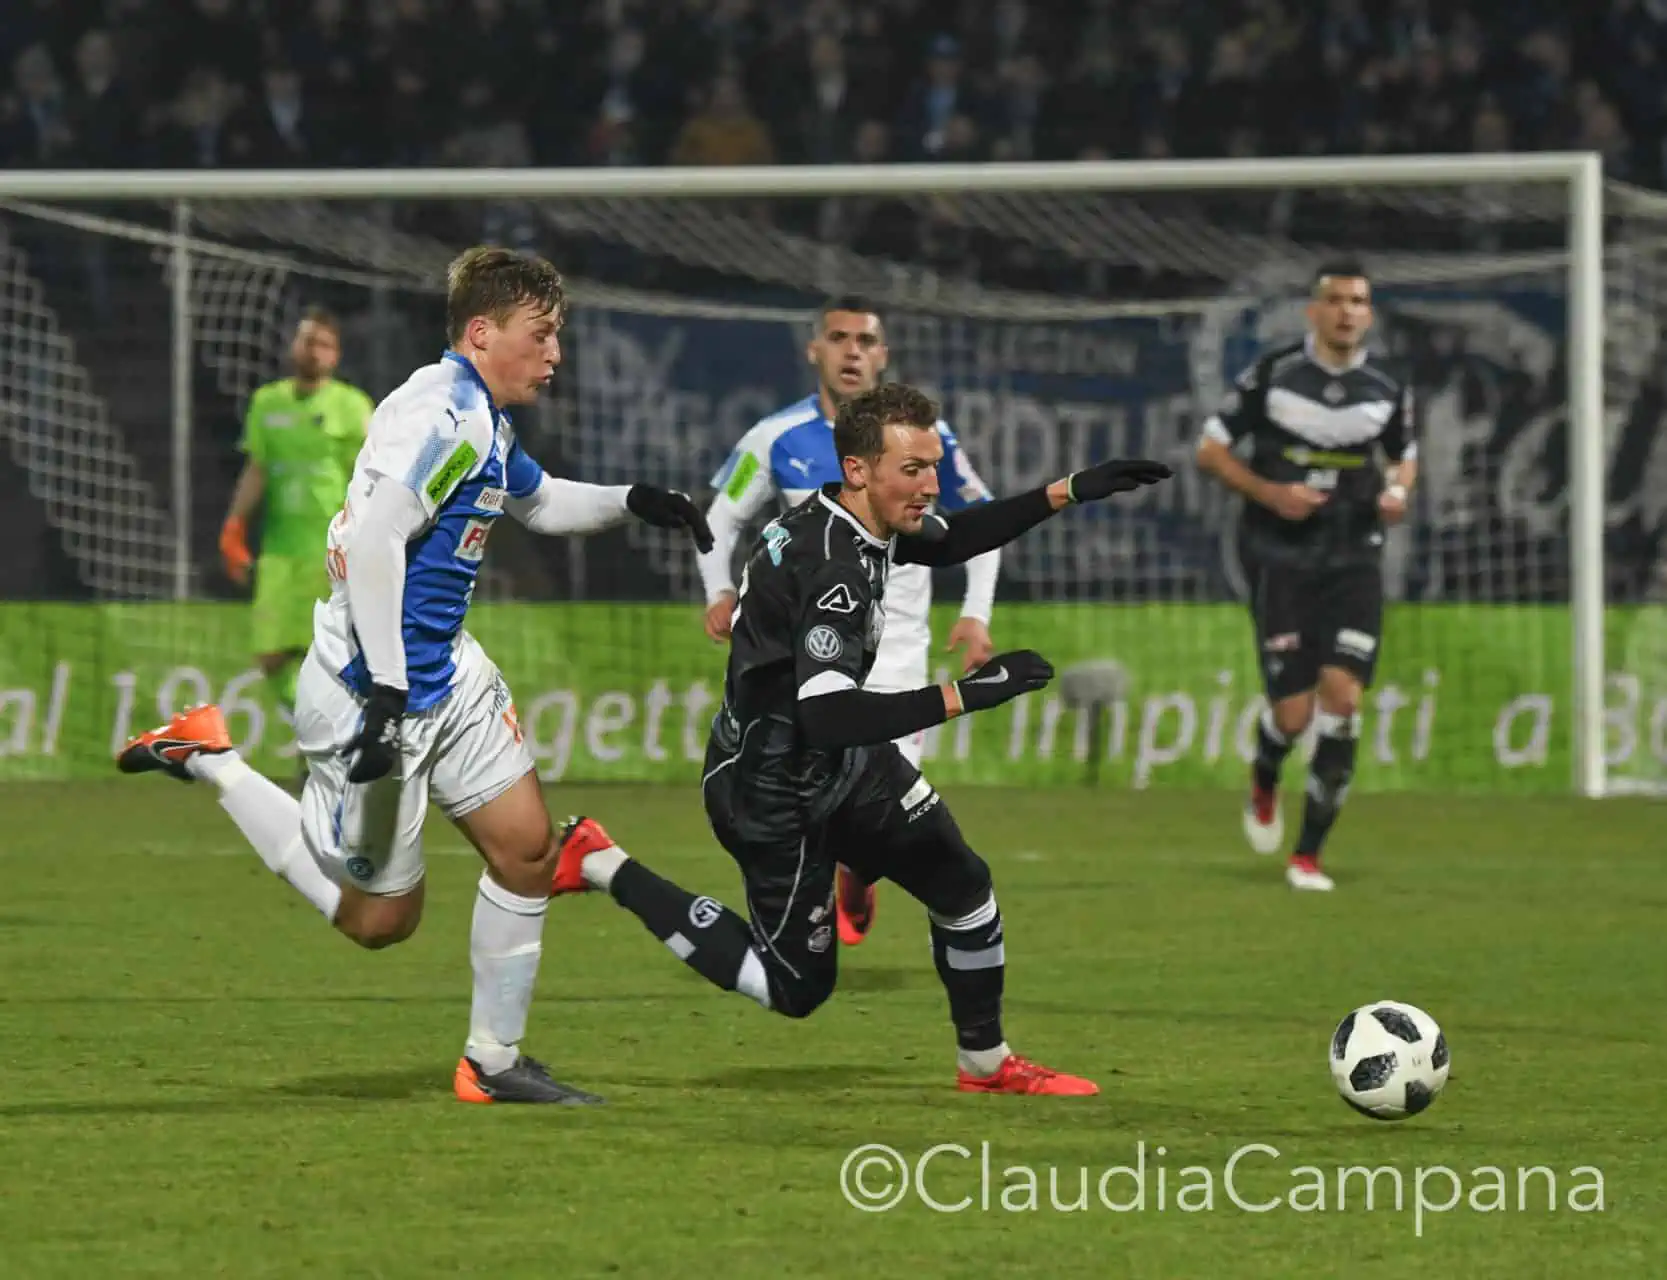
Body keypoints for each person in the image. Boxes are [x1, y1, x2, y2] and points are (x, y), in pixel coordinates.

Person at [116, 247, 714, 1105]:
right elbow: (373, 541)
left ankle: (493, 1061)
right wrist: (391, 691)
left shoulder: (481, 418)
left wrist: (635, 501)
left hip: (443, 674)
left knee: (525, 850)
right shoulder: (446, 418)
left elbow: (539, 503)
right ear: (482, 333)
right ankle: (212, 757)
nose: (555, 354)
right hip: (368, 685)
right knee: (380, 922)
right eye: (540, 335)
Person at [554, 383, 1172, 1094]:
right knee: (794, 989)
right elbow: (828, 714)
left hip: (840, 763)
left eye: (932, 466)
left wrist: (1068, 490)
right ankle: (600, 861)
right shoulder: (834, 571)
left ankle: (984, 1063)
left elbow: (953, 539)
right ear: (859, 470)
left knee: (963, 886)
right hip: (770, 786)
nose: (930, 485)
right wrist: (968, 694)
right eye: (913, 470)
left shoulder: (849, 519)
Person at [695, 296, 1000, 947]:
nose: (852, 351)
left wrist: (975, 615)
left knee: (872, 823)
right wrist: (719, 588)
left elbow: (983, 525)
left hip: (895, 661)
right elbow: (720, 519)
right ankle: (805, 921)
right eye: (838, 338)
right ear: (815, 350)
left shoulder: (927, 443)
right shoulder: (775, 437)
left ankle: (854, 877)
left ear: (882, 354)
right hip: (807, 662)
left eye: (865, 340)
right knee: (810, 797)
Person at [1195, 260, 1417, 892]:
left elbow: (1405, 459)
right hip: (1281, 556)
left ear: (1368, 314)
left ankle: (1307, 856)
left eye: (1359, 301)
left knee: (1343, 698)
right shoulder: (1273, 376)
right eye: (1336, 300)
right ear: (1312, 312)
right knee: (1292, 716)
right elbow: (1209, 451)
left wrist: (1398, 492)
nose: (1348, 311)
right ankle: (1266, 771)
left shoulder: (1388, 386)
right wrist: (1269, 493)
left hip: (1354, 556)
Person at [219, 308, 374, 739]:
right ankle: (332, 734)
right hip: (278, 551)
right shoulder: (267, 402)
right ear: (293, 347)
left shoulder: (352, 405)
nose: (314, 351)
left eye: (323, 344)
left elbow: (371, 477)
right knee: (269, 656)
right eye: (308, 341)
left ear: (336, 356)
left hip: (330, 550)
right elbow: (257, 468)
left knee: (324, 656)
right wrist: (234, 526)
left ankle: (341, 739)